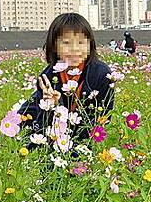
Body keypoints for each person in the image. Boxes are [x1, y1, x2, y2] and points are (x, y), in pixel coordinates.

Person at [18, 13, 115, 151]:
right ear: (54, 46)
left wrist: (78, 147)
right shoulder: (48, 77)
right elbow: (44, 123)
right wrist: (53, 105)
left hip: (85, 132)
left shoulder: (101, 74)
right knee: (22, 122)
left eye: (81, 42)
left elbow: (104, 118)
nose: (75, 49)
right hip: (56, 132)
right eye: (66, 43)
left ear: (90, 44)